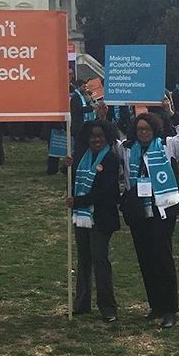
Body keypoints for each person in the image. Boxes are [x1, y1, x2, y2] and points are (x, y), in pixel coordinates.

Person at [120, 108, 179, 329]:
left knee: (162, 258)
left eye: (147, 129)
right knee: (145, 259)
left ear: (155, 130)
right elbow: (105, 144)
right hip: (138, 212)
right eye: (139, 129)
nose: (143, 133)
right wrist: (103, 117)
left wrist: (172, 112)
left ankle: (170, 309)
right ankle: (156, 305)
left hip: (162, 210)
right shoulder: (126, 150)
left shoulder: (167, 146)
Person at [65, 120, 121, 322]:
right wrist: (66, 167)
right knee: (83, 260)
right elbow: (74, 180)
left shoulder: (112, 159)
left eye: (100, 136)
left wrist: (78, 201)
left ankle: (108, 307)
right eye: (92, 136)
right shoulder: (81, 157)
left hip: (101, 217)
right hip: (81, 217)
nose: (96, 139)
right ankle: (82, 302)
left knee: (100, 261)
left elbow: (107, 192)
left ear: (106, 137)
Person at [70, 80, 96, 146]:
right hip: (78, 126)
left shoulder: (81, 96)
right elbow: (79, 110)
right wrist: (91, 107)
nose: (85, 89)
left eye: (86, 87)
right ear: (78, 87)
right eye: (84, 87)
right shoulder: (76, 96)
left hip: (83, 125)